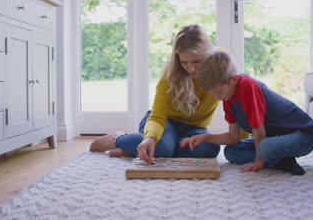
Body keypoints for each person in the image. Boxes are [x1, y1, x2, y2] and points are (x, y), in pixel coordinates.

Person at [90, 24, 220, 163]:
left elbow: (236, 100)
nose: (191, 68)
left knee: (208, 148)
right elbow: (158, 117)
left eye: (197, 61)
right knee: (162, 149)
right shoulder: (170, 73)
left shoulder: (221, 64)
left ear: (208, 54)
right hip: (165, 123)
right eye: (184, 62)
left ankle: (135, 149)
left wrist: (242, 143)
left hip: (195, 128)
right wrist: (150, 138)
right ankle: (116, 139)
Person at [180, 49, 313, 175]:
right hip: (273, 137)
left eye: (219, 92)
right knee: (231, 152)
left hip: (303, 135)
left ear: (233, 79)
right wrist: (206, 137)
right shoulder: (227, 96)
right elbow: (234, 137)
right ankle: (281, 162)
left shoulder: (247, 86)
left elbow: (259, 132)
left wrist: (259, 162)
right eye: (213, 94)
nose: (217, 97)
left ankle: (271, 159)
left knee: (264, 147)